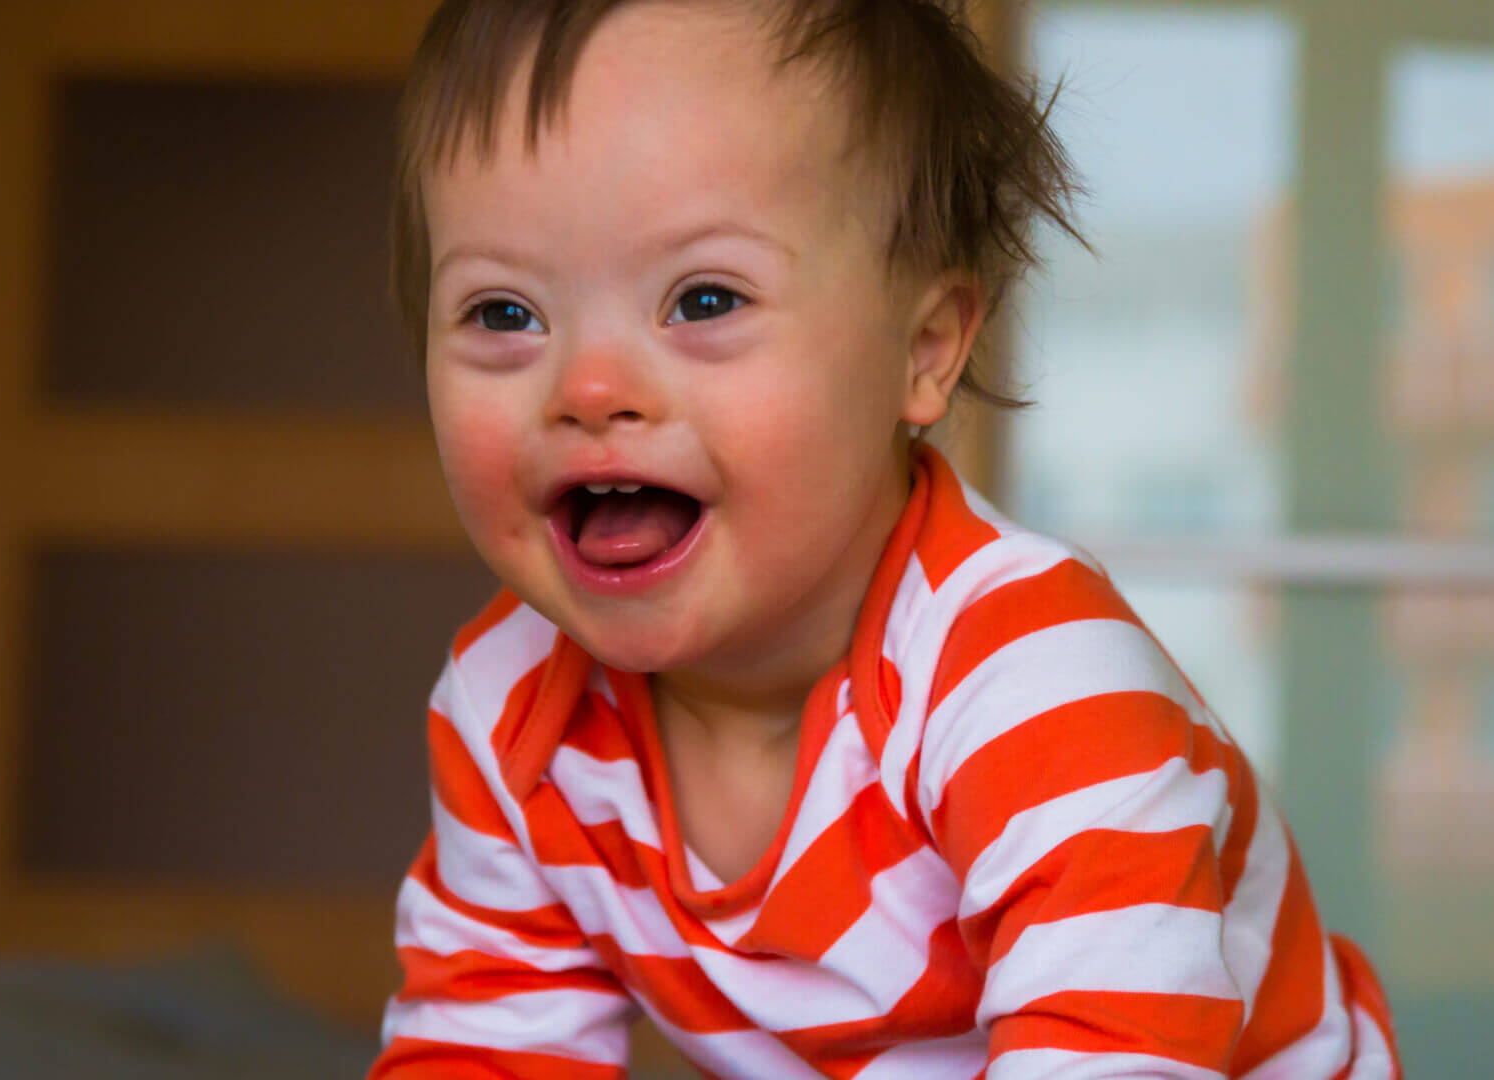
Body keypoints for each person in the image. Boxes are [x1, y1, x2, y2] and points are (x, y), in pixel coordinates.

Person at [369, 0, 1400, 1076]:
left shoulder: (1030, 688)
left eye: (704, 298)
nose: (587, 389)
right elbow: (480, 1044)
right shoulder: (512, 717)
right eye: (502, 314)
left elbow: (1114, 1050)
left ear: (925, 351)